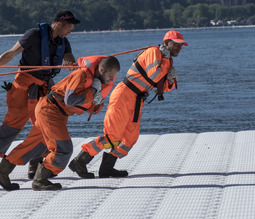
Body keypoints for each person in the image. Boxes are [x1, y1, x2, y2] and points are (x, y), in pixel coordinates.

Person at [0, 10, 80, 180]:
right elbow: (10, 54)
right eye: (69, 28)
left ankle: (35, 165)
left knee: (45, 126)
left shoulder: (64, 42)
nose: (70, 32)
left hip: (44, 88)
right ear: (59, 24)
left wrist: (73, 65)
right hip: (23, 87)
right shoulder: (33, 34)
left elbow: (71, 62)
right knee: (11, 127)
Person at [68, 31, 187, 179]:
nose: (178, 48)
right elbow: (154, 75)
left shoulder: (166, 59)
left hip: (137, 99)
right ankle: (80, 161)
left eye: (181, 45)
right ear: (166, 42)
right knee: (112, 137)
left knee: (129, 138)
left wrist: (171, 80)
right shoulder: (154, 52)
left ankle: (107, 168)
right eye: (176, 44)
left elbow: (160, 87)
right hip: (124, 95)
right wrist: (165, 67)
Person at [0, 55, 119, 191]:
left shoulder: (95, 82)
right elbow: (70, 100)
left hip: (53, 111)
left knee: (34, 146)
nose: (112, 80)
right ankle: (40, 180)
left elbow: (85, 105)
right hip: (50, 110)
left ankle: (1, 173)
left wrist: (97, 103)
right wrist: (93, 92)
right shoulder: (82, 75)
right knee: (63, 148)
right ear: (102, 70)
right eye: (111, 76)